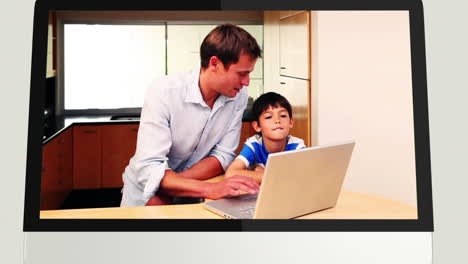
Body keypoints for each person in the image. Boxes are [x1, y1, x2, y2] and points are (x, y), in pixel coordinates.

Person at [120, 24, 262, 207]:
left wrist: (172, 186)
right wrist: (212, 189)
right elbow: (150, 167)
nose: (246, 82)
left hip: (189, 193)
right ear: (214, 63)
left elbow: (223, 155)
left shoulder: (238, 96)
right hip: (146, 197)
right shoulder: (164, 91)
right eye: (241, 74)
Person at [225, 92, 306, 184]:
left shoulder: (297, 146)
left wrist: (263, 173)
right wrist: (268, 175)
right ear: (257, 126)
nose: (277, 120)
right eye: (268, 117)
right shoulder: (254, 144)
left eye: (283, 116)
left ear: (291, 122)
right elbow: (231, 173)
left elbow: (303, 176)